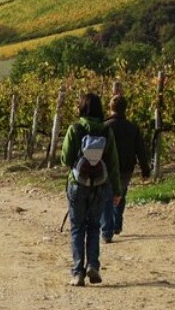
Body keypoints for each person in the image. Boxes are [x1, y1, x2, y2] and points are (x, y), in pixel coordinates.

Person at [61, 92, 122, 287]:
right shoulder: (106, 131)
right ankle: (93, 265)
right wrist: (117, 190)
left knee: (77, 227)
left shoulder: (75, 129)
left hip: (78, 184)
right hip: (100, 185)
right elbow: (113, 163)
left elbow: (65, 159)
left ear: (81, 107)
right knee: (94, 227)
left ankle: (77, 271)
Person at [101, 94, 151, 243]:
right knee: (120, 194)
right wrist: (145, 170)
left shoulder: (105, 127)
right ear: (125, 109)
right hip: (126, 168)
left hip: (108, 167)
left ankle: (106, 231)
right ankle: (117, 224)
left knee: (107, 198)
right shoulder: (133, 128)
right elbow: (141, 150)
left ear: (110, 108)